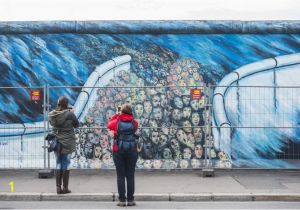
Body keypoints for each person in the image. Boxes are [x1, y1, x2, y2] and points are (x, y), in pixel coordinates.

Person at [107, 104, 139, 207]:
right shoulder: (135, 122)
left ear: (121, 112)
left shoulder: (116, 122)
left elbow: (109, 125)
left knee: (120, 176)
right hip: (132, 150)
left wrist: (116, 115)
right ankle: (130, 200)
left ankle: (121, 200)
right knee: (130, 175)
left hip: (118, 151)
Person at [48, 96, 79, 194]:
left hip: (56, 142)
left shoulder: (53, 114)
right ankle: (65, 188)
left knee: (58, 163)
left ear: (58, 103)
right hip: (68, 142)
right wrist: (72, 113)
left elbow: (52, 123)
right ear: (67, 104)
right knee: (66, 163)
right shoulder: (70, 115)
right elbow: (76, 125)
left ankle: (58, 187)